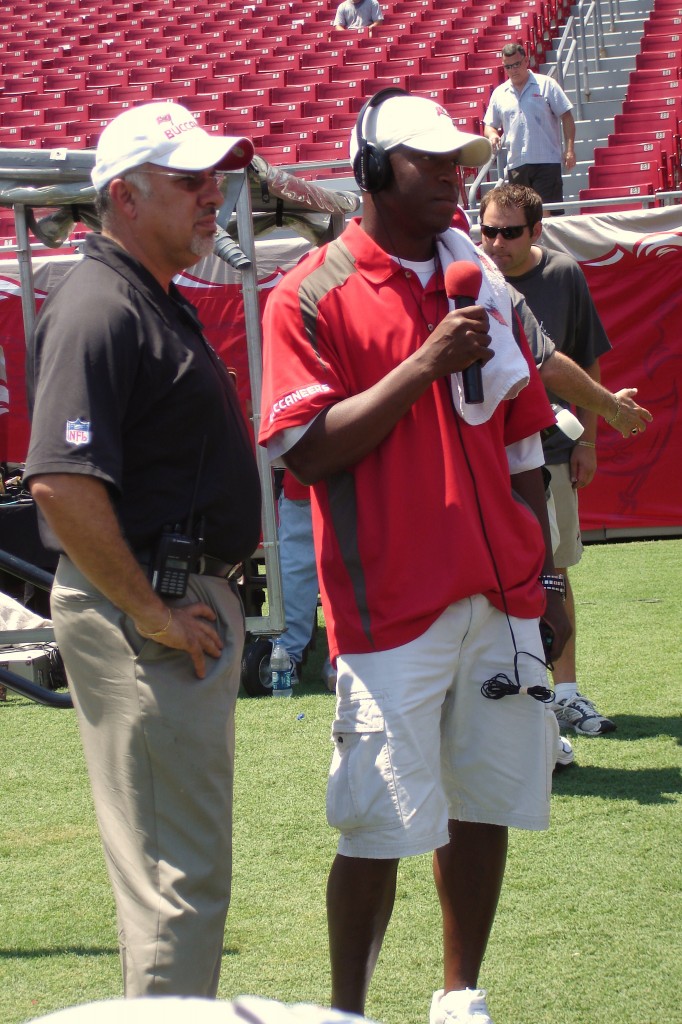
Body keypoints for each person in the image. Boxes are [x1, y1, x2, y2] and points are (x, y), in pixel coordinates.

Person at [259, 91, 571, 1024]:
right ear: (370, 171)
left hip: (500, 597)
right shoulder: (308, 292)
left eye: (458, 161)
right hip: (387, 607)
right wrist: (420, 366)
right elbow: (306, 452)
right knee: (379, 823)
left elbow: (523, 447)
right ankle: (347, 1010)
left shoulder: (476, 280)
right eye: (428, 161)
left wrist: (543, 576)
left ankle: (459, 994)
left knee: (484, 805)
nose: (452, 175)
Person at [23, 102, 262, 998]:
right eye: (190, 180)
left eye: (214, 179)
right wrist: (152, 610)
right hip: (147, 615)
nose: (213, 197)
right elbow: (60, 479)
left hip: (167, 606)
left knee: (175, 878)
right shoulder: (99, 304)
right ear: (123, 196)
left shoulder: (138, 294)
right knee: (178, 886)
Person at [478, 182, 652, 736]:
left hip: (551, 447)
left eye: (509, 232)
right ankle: (515, 699)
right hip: (483, 456)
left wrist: (589, 440)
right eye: (488, 230)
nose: (496, 243)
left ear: (537, 230)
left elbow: (579, 360)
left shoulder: (561, 275)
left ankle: (566, 693)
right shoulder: (472, 278)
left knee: (554, 571)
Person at [483, 43, 576, 209]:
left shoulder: (547, 84)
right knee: (522, 215)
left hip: (546, 161)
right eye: (508, 66)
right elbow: (489, 125)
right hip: (516, 163)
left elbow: (566, 116)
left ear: (526, 61)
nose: (513, 70)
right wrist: (492, 135)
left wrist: (569, 150)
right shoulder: (499, 93)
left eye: (516, 64)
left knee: (545, 213)